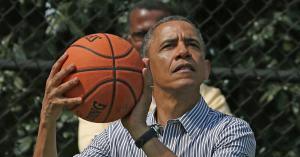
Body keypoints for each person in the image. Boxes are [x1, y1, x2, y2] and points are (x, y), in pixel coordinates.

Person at [33, 15, 256, 157]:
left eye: (192, 45)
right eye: (169, 45)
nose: (183, 52)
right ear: (145, 67)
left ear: (206, 69)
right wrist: (47, 120)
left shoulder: (232, 131)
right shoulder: (116, 137)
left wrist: (141, 132)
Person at [78, 0, 232, 152]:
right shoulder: (102, 92)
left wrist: (140, 133)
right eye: (142, 34)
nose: (149, 40)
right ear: (129, 42)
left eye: (162, 36)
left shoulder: (207, 97)